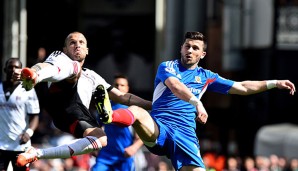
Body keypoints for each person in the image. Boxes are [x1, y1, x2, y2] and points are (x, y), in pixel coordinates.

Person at [104, 31, 295, 170]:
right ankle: (108, 116)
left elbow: (242, 87)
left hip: (186, 134)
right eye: (187, 45)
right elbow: (176, 87)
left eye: (195, 48)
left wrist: (274, 82)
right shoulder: (167, 67)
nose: (190, 50)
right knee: (138, 113)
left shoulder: (207, 76)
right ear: (181, 47)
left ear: (202, 54)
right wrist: (197, 103)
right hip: (159, 127)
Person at [12, 31, 151, 167]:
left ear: (87, 50)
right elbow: (46, 65)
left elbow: (123, 97)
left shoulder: (92, 76)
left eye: (81, 42)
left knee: (101, 139)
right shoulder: (59, 57)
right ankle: (35, 77)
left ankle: (36, 153)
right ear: (65, 49)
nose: (77, 45)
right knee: (74, 68)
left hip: (73, 115)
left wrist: (151, 105)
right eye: (72, 43)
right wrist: (34, 71)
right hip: (57, 98)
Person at [92, 73, 146, 171]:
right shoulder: (104, 106)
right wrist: (94, 146)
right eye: (116, 85)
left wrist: (134, 148)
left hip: (124, 156)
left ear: (127, 88)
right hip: (105, 156)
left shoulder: (133, 109)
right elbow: (97, 128)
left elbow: (143, 134)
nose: (119, 87)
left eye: (122, 85)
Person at [0, 58, 40, 171]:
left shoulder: (28, 90)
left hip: (20, 145)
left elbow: (35, 116)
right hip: (1, 144)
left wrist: (29, 133)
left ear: (22, 70)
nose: (13, 70)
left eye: (17, 67)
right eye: (10, 67)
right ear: (4, 69)